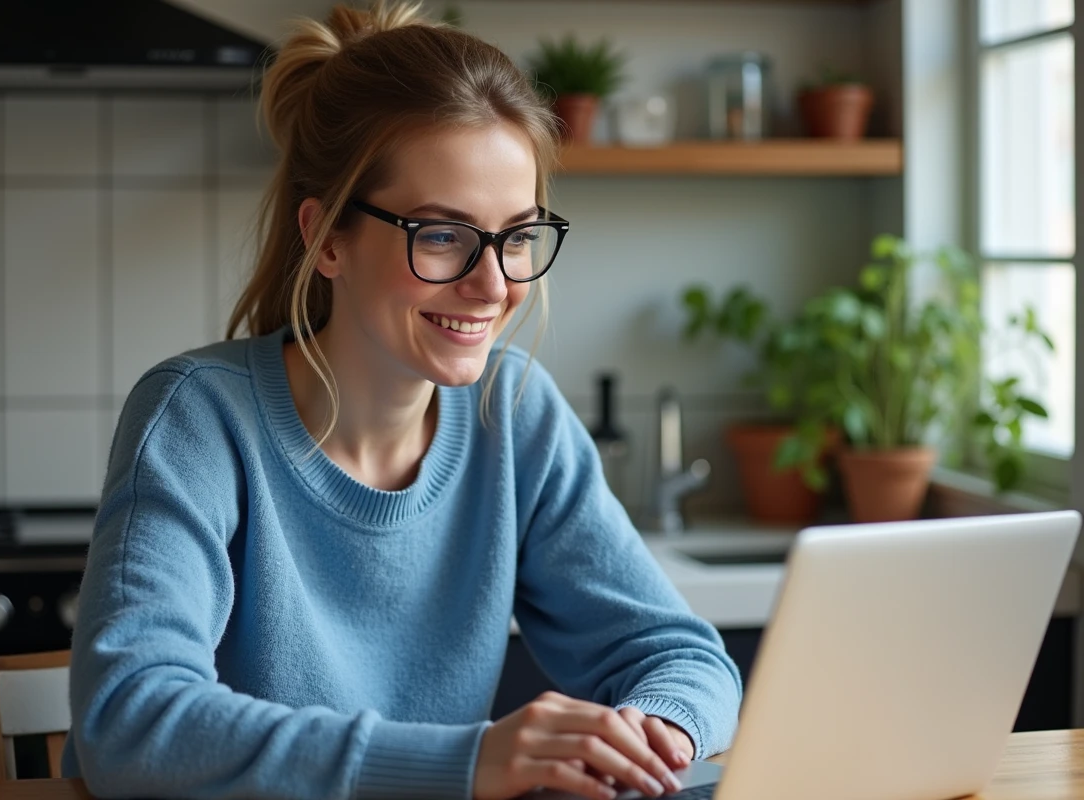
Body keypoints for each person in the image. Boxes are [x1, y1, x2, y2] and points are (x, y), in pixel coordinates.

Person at [61, 3, 742, 799]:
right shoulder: (196, 419)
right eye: (443, 235)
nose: (494, 285)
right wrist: (467, 762)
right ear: (328, 239)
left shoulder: (514, 414)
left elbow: (683, 658)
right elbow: (132, 723)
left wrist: (654, 733)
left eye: (518, 236)